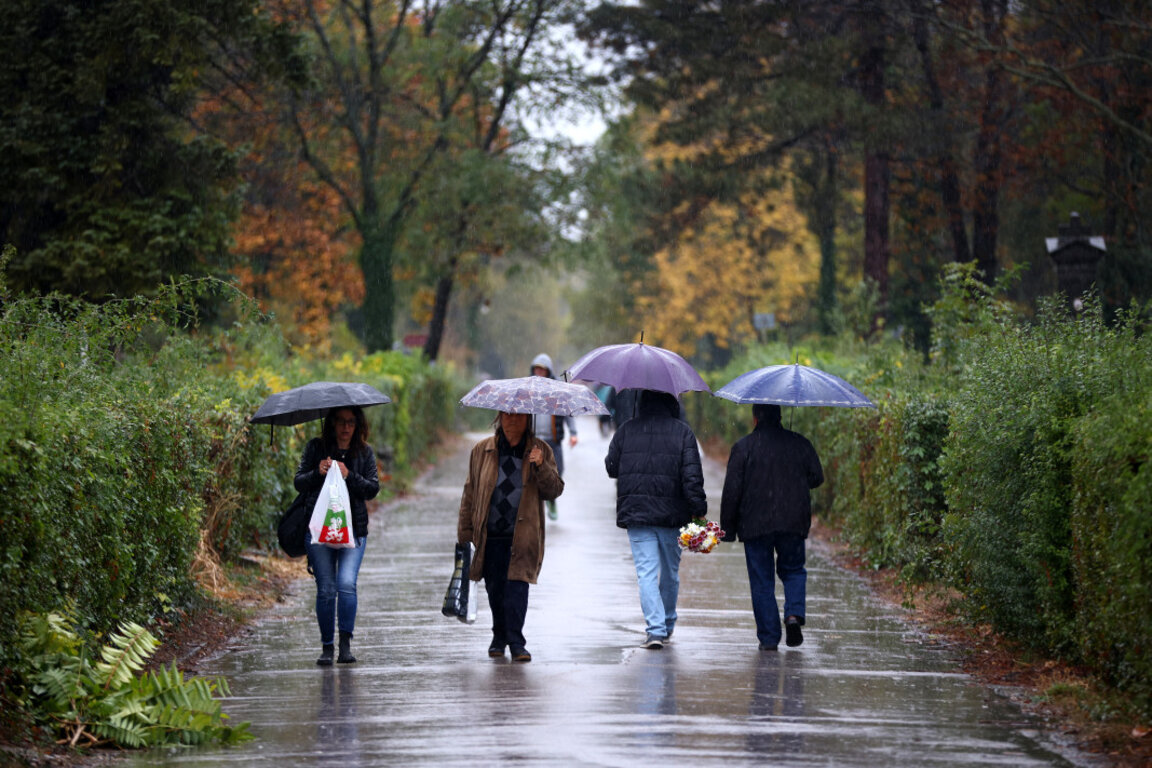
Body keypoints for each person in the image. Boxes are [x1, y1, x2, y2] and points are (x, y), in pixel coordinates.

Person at [458, 411, 563, 662]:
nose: (511, 420)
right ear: (498, 418)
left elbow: (554, 490)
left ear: (528, 419)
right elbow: (470, 492)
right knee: (495, 589)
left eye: (518, 415)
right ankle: (499, 635)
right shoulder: (483, 450)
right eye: (506, 415)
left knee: (517, 588)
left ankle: (516, 640)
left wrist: (541, 465)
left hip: (523, 535)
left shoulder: (541, 450)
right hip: (491, 533)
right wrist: (465, 533)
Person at [605, 389, 707, 649]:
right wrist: (699, 509)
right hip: (672, 517)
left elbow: (611, 467)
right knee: (670, 573)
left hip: (637, 514)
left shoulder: (627, 430)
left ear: (642, 402)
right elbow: (692, 478)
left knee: (646, 574)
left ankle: (655, 630)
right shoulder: (683, 432)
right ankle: (667, 623)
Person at [720, 403, 824, 651]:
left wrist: (728, 528)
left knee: (761, 579)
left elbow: (732, 491)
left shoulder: (743, 447)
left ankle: (768, 638)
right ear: (779, 416)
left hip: (755, 524)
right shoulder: (800, 443)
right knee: (794, 570)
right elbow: (817, 478)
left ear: (755, 419)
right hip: (793, 520)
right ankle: (793, 615)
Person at [295, 406, 380, 666]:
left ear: (358, 425)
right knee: (327, 589)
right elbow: (299, 482)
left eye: (351, 422)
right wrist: (317, 472)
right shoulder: (315, 448)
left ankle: (345, 644)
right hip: (320, 531)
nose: (346, 427)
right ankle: (327, 647)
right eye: (341, 422)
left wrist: (349, 475)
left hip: (353, 531)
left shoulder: (364, 453)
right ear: (332, 423)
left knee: (345, 584)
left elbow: (372, 488)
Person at [529, 353, 578, 520]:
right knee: (531, 474)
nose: (539, 372)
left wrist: (573, 433)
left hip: (553, 440)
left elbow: (567, 413)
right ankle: (534, 503)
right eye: (536, 369)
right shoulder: (527, 389)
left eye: (542, 369)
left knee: (556, 472)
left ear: (548, 371)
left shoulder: (557, 390)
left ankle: (551, 499)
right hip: (533, 440)